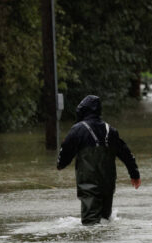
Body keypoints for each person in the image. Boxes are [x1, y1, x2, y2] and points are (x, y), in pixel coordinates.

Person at [57, 95, 141, 225]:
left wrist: (60, 164)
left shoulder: (77, 130)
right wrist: (134, 174)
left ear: (82, 111)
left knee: (90, 224)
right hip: (108, 184)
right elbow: (126, 154)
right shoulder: (110, 130)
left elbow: (65, 153)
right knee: (105, 220)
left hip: (88, 185)